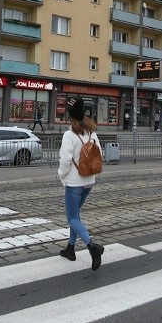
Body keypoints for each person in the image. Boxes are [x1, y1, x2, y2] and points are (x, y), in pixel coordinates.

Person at [57, 97, 104, 271]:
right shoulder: (92, 133)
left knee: (72, 218)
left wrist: (61, 175)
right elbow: (100, 155)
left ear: (71, 117)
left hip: (74, 182)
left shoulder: (69, 135)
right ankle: (70, 248)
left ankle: (92, 246)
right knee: (76, 215)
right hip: (89, 181)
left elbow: (65, 160)